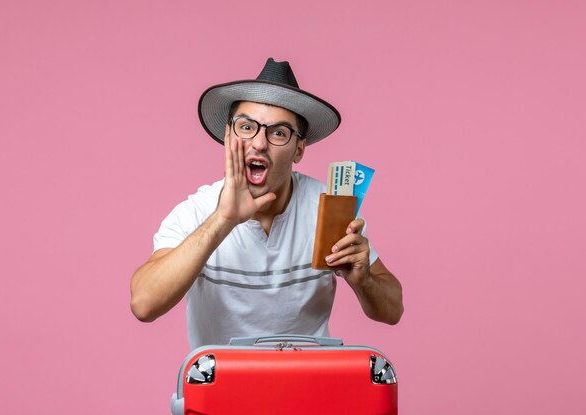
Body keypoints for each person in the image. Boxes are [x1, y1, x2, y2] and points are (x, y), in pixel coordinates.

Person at [130, 58, 403, 349]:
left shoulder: (326, 209)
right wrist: (222, 220)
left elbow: (393, 310)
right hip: (221, 387)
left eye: (278, 133)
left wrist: (365, 281)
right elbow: (144, 304)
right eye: (246, 127)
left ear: (299, 149)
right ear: (227, 135)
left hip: (309, 385)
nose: (259, 143)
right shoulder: (196, 212)